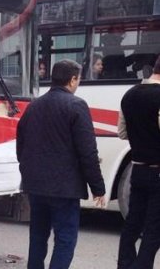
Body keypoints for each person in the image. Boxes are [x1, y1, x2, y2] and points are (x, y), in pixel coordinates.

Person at [17, 59, 106, 269]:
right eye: (78, 79)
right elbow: (88, 152)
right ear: (72, 79)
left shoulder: (34, 106)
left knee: (37, 237)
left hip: (36, 186)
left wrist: (28, 174)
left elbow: (21, 145)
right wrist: (98, 188)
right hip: (64, 189)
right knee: (65, 239)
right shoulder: (76, 105)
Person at [117, 55, 160, 269]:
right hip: (157, 172)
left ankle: (124, 264)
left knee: (133, 223)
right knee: (153, 229)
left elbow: (122, 133)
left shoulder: (129, 94)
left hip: (138, 169)